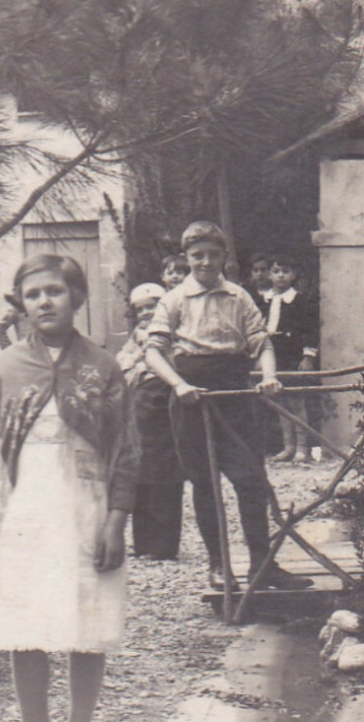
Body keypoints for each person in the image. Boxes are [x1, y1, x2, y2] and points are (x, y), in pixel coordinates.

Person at [0, 254, 131, 722]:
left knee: (85, 619)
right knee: (26, 620)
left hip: (84, 505)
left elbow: (126, 449)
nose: (44, 302)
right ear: (21, 303)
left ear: (77, 297)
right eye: (33, 293)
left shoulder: (102, 366)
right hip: (23, 507)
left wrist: (115, 521)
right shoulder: (7, 366)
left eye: (55, 291)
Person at [144, 221, 312, 591]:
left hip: (235, 397)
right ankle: (219, 567)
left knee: (252, 480)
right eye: (197, 255)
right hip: (192, 400)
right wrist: (179, 384)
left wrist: (269, 377)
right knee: (206, 484)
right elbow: (153, 351)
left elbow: (261, 343)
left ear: (225, 257)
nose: (205, 262)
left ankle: (262, 566)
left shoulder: (239, 297)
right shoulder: (174, 300)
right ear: (187, 258)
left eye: (213, 255)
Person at [117, 283, 185, 559]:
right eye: (140, 309)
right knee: (140, 471)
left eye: (152, 306)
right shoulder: (135, 338)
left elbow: (172, 363)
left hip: (161, 401)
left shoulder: (173, 332)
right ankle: (143, 541)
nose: (146, 313)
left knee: (164, 474)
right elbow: (121, 363)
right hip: (137, 404)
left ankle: (163, 545)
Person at [265, 254, 321, 464]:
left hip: (292, 355)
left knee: (296, 401)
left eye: (285, 271)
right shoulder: (265, 300)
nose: (280, 276)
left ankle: (302, 447)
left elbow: (310, 330)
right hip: (273, 355)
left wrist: (308, 357)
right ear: (270, 275)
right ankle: (288, 446)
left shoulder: (299, 301)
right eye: (276, 271)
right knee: (279, 400)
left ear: (294, 275)